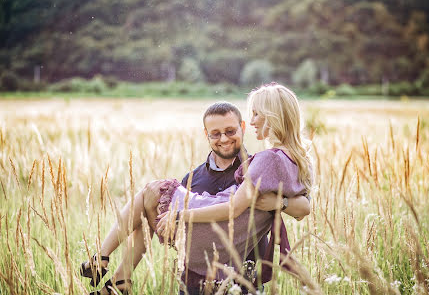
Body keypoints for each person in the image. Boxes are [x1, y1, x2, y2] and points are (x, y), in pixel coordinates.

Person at [80, 83, 313, 295]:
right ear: (207, 135)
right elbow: (303, 202)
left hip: (233, 263)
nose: (252, 121)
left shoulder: (265, 160)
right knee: (146, 208)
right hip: (203, 265)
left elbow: (293, 208)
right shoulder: (293, 160)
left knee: (150, 192)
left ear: (272, 117)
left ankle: (103, 262)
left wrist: (180, 215)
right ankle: (118, 280)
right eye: (216, 134)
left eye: (255, 114)